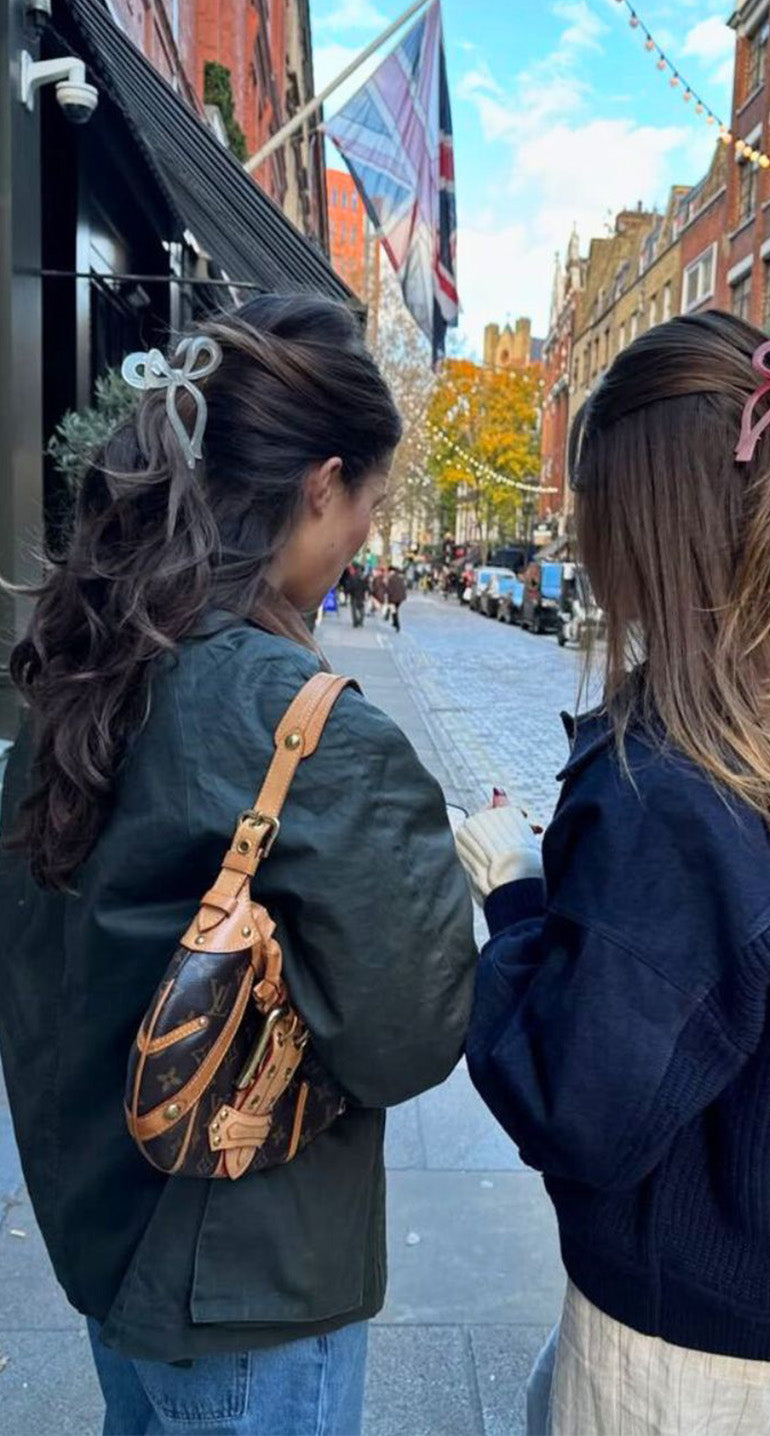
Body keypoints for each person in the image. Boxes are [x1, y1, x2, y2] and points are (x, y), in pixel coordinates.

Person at [0, 295, 476, 1436]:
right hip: (250, 1286)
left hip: (102, 1234)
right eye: (369, 503)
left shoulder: (80, 672)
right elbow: (410, 1037)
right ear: (320, 485)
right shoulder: (322, 734)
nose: (367, 533)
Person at [455, 312, 770, 1436]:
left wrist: (515, 890)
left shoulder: (674, 783)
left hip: (675, 1314)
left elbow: (579, 1104)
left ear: (637, 520)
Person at [345, 561, 368, 628]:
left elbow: (350, 586)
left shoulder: (352, 577)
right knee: (361, 609)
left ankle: (355, 622)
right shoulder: (363, 577)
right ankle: (361, 620)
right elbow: (366, 586)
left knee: (354, 610)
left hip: (354, 595)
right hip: (361, 595)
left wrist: (347, 592)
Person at [386, 565, 407, 633]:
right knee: (395, 610)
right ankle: (394, 622)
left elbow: (389, 589)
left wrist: (388, 598)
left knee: (394, 610)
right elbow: (403, 588)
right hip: (400, 597)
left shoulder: (391, 578)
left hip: (394, 597)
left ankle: (397, 624)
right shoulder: (400, 578)